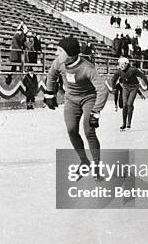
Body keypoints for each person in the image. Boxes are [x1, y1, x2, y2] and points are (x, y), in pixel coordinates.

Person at [44, 36, 108, 177]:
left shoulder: (87, 67)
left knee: (89, 131)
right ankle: (84, 161)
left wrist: (95, 111)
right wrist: (49, 93)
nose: (56, 53)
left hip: (88, 99)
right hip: (71, 99)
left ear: (70, 53)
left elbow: (102, 90)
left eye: (59, 50)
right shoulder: (59, 62)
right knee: (72, 130)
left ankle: (97, 166)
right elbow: (51, 74)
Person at [110, 57, 148, 130]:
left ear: (127, 64)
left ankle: (128, 123)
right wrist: (113, 88)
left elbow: (143, 76)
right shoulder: (119, 71)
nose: (121, 66)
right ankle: (124, 123)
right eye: (120, 64)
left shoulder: (133, 69)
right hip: (125, 87)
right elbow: (113, 79)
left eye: (123, 64)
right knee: (124, 105)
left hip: (134, 87)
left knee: (129, 104)